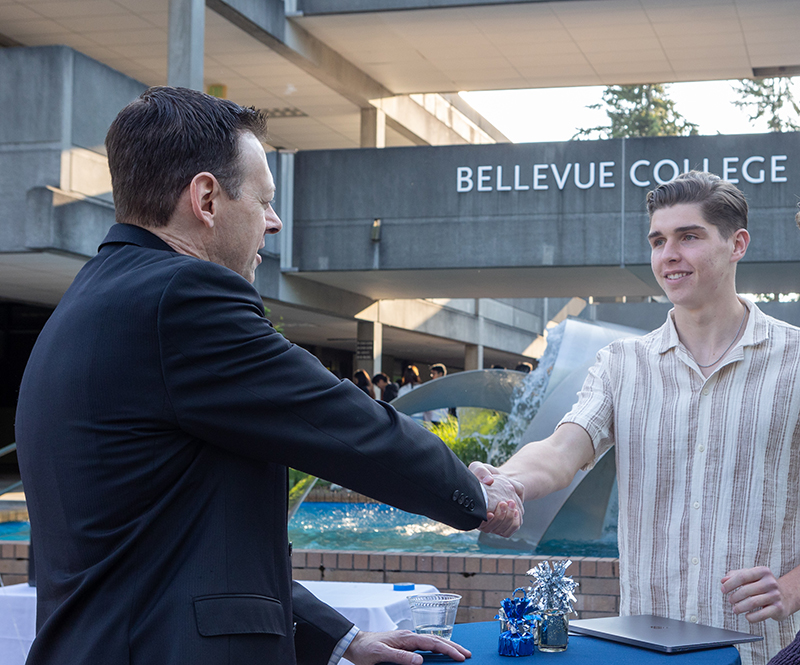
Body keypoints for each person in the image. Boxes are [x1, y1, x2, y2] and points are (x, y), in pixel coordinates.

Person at [15, 87, 523, 665]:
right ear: (206, 198)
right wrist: (475, 494)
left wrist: (344, 639)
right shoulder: (181, 298)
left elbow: (186, 544)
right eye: (263, 202)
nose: (274, 223)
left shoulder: (91, 302)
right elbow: (342, 420)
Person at [473, 171, 800, 665]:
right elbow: (563, 451)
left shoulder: (796, 360)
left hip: (766, 651)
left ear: (738, 244)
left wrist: (795, 588)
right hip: (649, 651)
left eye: (688, 237)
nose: (668, 254)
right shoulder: (620, 364)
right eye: (658, 240)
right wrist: (508, 483)